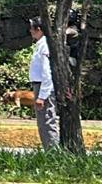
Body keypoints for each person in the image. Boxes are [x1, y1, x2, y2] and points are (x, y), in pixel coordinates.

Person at [28, 17, 59, 149]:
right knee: (42, 122)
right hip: (39, 86)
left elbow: (47, 72)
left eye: (32, 28)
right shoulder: (40, 43)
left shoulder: (45, 44)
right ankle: (49, 150)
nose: (30, 31)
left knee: (47, 120)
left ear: (38, 29)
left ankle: (53, 151)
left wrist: (42, 95)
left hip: (43, 87)